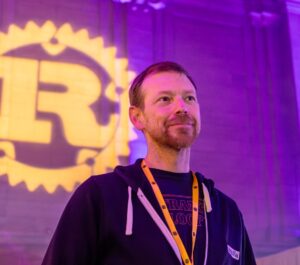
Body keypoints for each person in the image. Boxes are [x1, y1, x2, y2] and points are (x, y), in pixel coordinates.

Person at [42, 61, 257, 265]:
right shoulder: (100, 196)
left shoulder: (227, 211)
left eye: (189, 98)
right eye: (165, 99)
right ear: (137, 118)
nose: (181, 107)